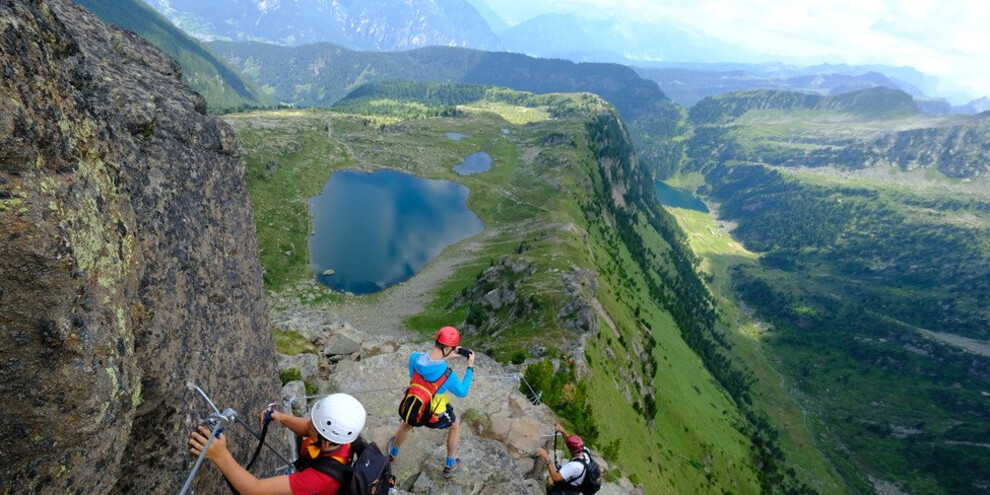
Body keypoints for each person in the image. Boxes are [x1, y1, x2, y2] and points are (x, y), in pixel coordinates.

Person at [188, 393, 366, 495]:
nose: (307, 424)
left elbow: (254, 490)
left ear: (325, 443)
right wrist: (279, 417)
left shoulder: (318, 479)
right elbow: (307, 427)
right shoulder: (343, 439)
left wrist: (219, 455)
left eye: (312, 426)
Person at [388, 325, 475, 478]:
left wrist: (446, 356)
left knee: (407, 423)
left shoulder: (414, 358)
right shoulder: (448, 374)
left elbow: (418, 373)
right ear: (448, 347)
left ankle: (392, 453)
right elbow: (462, 392)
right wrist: (470, 367)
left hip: (414, 406)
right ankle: (450, 465)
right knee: (455, 425)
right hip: (434, 415)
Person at [537, 424, 593, 495]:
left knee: (550, 480)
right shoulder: (585, 451)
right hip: (576, 485)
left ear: (572, 451)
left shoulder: (574, 466)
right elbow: (571, 444)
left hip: (568, 491)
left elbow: (556, 477)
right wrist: (564, 432)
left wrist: (546, 457)